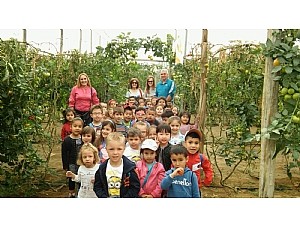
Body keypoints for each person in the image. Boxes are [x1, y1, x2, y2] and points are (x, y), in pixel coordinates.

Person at [93, 132, 140, 198]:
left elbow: (135, 187)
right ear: (106, 149)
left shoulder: (130, 168)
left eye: (119, 149)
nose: (115, 153)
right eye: (111, 149)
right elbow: (97, 187)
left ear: (124, 149)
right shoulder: (102, 168)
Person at [61, 117, 84, 198]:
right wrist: (65, 166)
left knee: (80, 176)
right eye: (75, 126)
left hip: (81, 163)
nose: (77, 128)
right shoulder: (67, 140)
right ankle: (71, 192)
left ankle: (80, 192)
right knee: (71, 177)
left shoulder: (83, 139)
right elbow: (64, 153)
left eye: (79, 126)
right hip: (71, 163)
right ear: (71, 127)